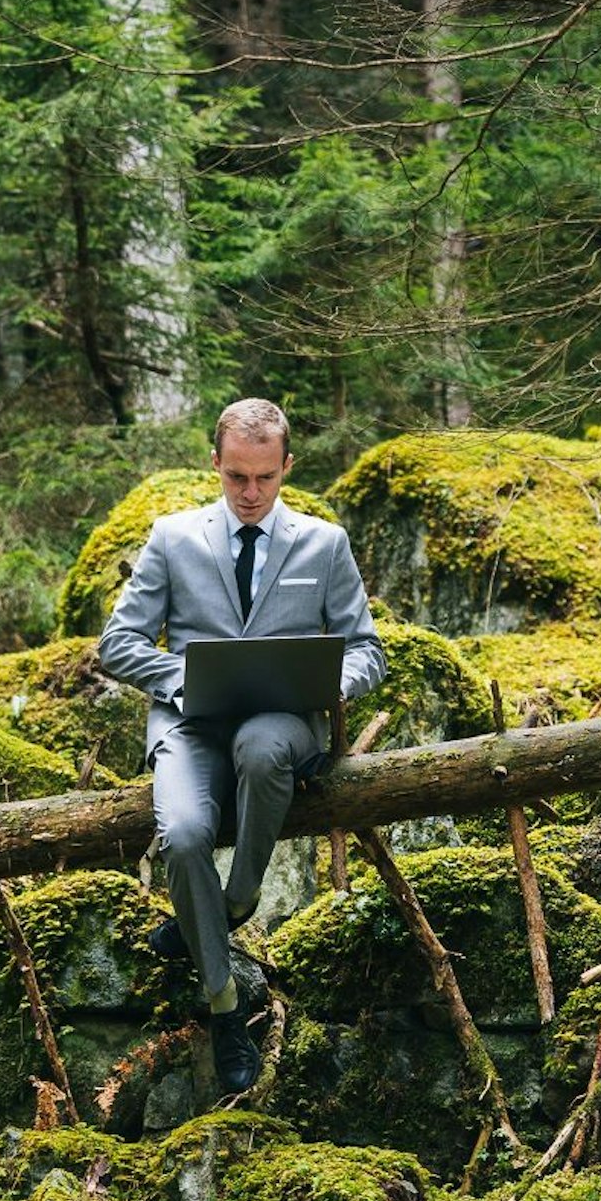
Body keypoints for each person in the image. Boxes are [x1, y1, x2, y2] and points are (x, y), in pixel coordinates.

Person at [99, 398, 386, 1093]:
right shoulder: (172, 538)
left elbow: (367, 650)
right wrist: (185, 678)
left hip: (282, 721)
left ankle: (236, 900)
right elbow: (117, 644)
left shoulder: (324, 544)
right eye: (235, 478)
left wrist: (329, 686)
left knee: (262, 748)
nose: (250, 494)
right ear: (215, 466)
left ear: (286, 466)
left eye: (263, 477)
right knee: (186, 833)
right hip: (189, 722)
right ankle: (224, 1002)